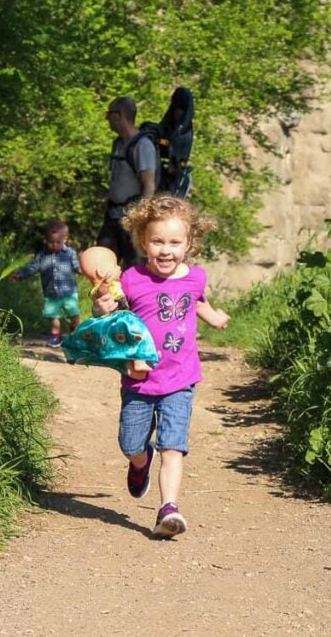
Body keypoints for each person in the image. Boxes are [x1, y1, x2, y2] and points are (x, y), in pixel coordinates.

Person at [92, 195, 230, 538]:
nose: (166, 250)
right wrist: (101, 305)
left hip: (180, 378)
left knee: (174, 446)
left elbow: (197, 301)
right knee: (130, 443)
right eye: (157, 241)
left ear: (189, 244)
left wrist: (213, 316)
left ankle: (169, 507)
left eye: (174, 242)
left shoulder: (195, 278)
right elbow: (105, 313)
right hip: (139, 379)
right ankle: (140, 462)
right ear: (143, 241)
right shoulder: (131, 279)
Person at [97, 96, 159, 270]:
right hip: (112, 215)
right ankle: (107, 297)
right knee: (101, 261)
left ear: (120, 115)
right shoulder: (118, 144)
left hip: (131, 217)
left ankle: (131, 298)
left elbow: (149, 184)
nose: (106, 118)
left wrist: (140, 219)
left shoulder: (143, 145)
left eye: (109, 113)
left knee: (133, 267)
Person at [11, 219, 81, 347]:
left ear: (65, 239)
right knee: (53, 315)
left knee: (74, 314)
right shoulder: (42, 255)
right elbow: (33, 267)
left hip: (69, 292)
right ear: (46, 240)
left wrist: (86, 271)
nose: (54, 245)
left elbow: (77, 267)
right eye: (50, 242)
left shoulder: (70, 253)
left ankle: (75, 334)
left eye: (57, 242)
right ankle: (55, 337)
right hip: (51, 292)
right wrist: (20, 274)